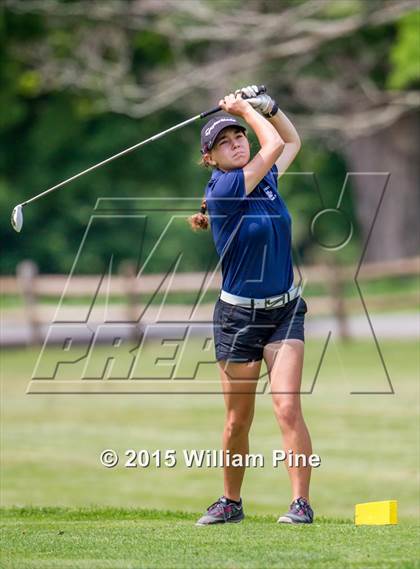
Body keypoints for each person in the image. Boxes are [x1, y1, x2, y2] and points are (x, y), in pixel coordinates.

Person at [189, 85, 314, 526]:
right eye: (224, 141)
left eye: (239, 134)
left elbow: (290, 140)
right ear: (211, 158)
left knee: (286, 407)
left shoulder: (265, 180)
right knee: (237, 421)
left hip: (284, 312)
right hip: (239, 318)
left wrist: (270, 107)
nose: (236, 142)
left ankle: (300, 503)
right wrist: (245, 109)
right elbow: (275, 143)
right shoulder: (225, 189)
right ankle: (230, 502)